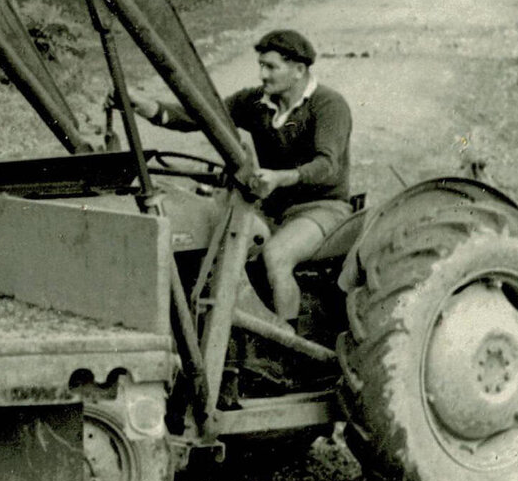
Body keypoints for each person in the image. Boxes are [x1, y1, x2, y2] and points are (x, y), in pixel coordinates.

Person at [127, 29, 352, 323]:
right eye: (261, 65)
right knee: (218, 242)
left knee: (276, 257)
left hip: (322, 208)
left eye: (271, 67)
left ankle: (289, 345)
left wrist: (280, 178)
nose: (263, 75)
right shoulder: (256, 102)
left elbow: (327, 166)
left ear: (299, 70)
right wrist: (145, 106)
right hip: (271, 208)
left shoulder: (328, 105)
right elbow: (200, 116)